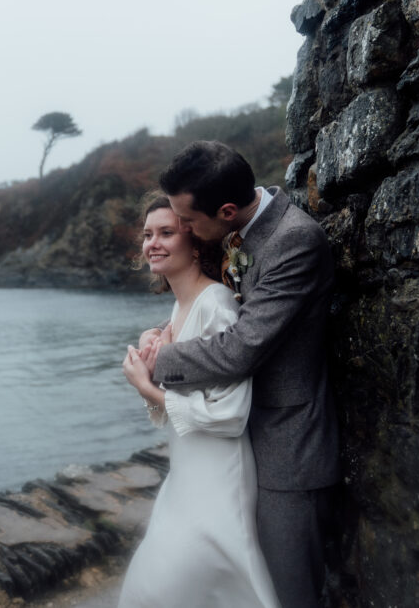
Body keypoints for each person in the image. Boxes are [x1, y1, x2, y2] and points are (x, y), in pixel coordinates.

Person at [150, 140, 338, 608]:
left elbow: (241, 348)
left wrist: (160, 363)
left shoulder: (294, 239)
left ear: (228, 210)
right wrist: (172, 329)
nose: (186, 231)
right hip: (241, 447)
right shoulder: (241, 232)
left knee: (289, 592)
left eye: (188, 222)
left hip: (287, 451)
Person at [117, 193, 279, 608]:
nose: (152, 242)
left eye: (166, 232)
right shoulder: (175, 310)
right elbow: (170, 410)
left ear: (195, 242)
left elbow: (230, 413)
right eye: (148, 234)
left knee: (170, 587)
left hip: (218, 474)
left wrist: (146, 386)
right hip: (185, 474)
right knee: (151, 590)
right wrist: (152, 372)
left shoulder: (217, 305)